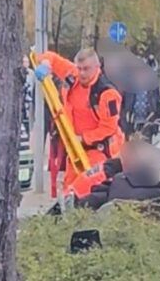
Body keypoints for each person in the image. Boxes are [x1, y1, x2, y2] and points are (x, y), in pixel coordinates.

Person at [34, 47, 124, 191]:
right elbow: (52, 57)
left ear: (97, 67)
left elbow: (108, 128)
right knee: (69, 190)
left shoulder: (107, 94)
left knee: (89, 191)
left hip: (99, 151)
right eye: (79, 68)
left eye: (86, 69)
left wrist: (82, 138)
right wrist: (45, 64)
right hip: (76, 150)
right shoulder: (73, 76)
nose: (81, 73)